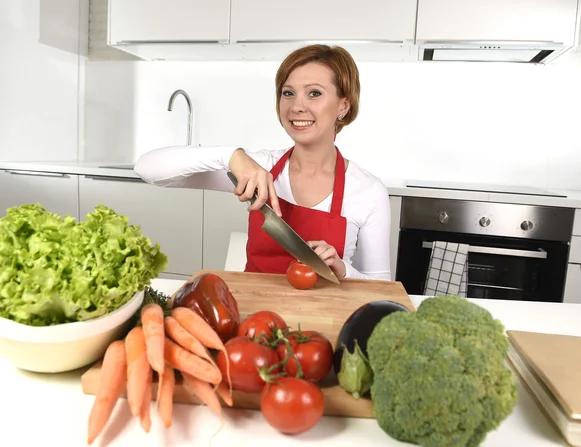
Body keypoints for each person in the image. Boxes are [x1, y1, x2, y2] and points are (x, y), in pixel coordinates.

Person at [134, 44, 392, 281]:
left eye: (314, 93)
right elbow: (147, 168)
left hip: (325, 320)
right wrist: (231, 156)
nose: (296, 106)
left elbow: (382, 288)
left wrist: (344, 270)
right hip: (254, 318)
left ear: (343, 106)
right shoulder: (258, 169)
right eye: (287, 93)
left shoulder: (368, 191)